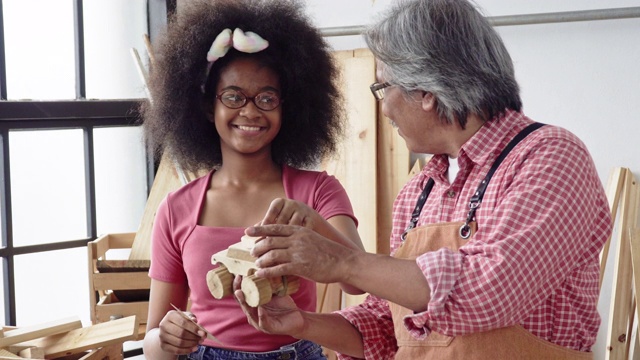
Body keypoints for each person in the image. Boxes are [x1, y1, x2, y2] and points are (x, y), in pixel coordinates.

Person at [235, 0, 613, 359]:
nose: (383, 108)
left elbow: (488, 291)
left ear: (426, 91)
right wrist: (303, 323)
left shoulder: (549, 156)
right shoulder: (420, 190)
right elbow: (388, 328)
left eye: (384, 87)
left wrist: (345, 263)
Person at [140, 0, 364, 358]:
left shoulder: (318, 191)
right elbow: (153, 341)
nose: (249, 111)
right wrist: (164, 339)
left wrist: (313, 226)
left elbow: (355, 278)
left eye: (266, 98)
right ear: (206, 106)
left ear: (287, 107)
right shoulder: (176, 209)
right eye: (233, 96)